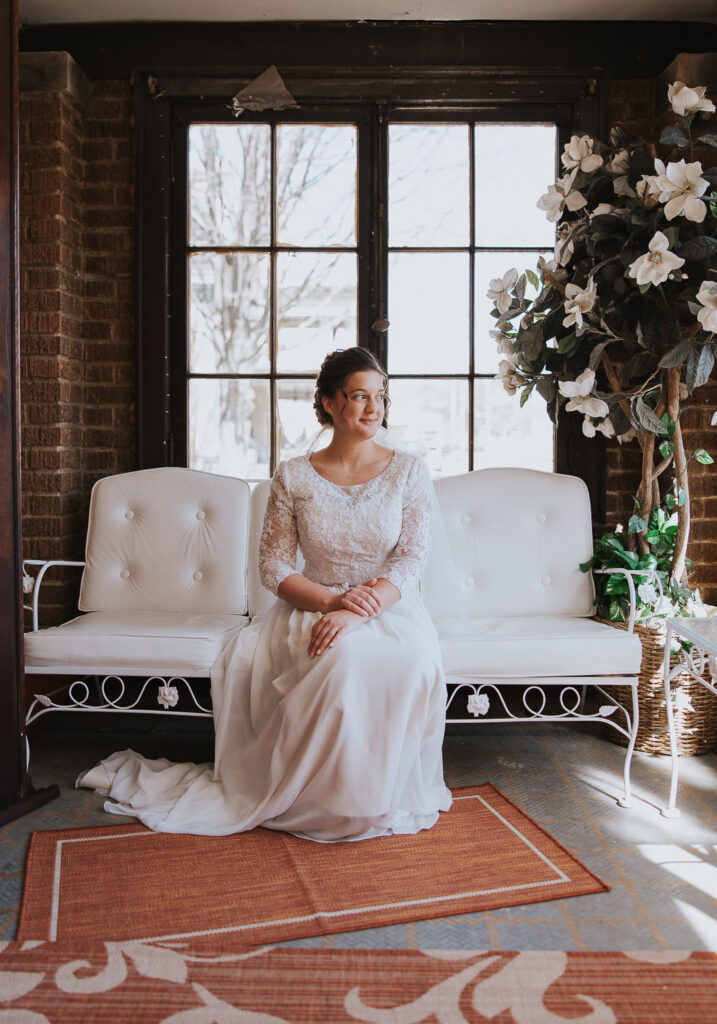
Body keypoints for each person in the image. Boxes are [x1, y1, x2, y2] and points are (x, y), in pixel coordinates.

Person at [76, 347, 452, 842]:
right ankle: (332, 802)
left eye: (380, 396)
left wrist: (359, 611)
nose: (373, 408)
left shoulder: (408, 471)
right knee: (340, 662)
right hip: (310, 604)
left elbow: (410, 559)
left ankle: (372, 798)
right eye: (360, 396)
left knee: (399, 660)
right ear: (329, 403)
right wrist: (331, 604)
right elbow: (273, 567)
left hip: (387, 607)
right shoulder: (294, 475)